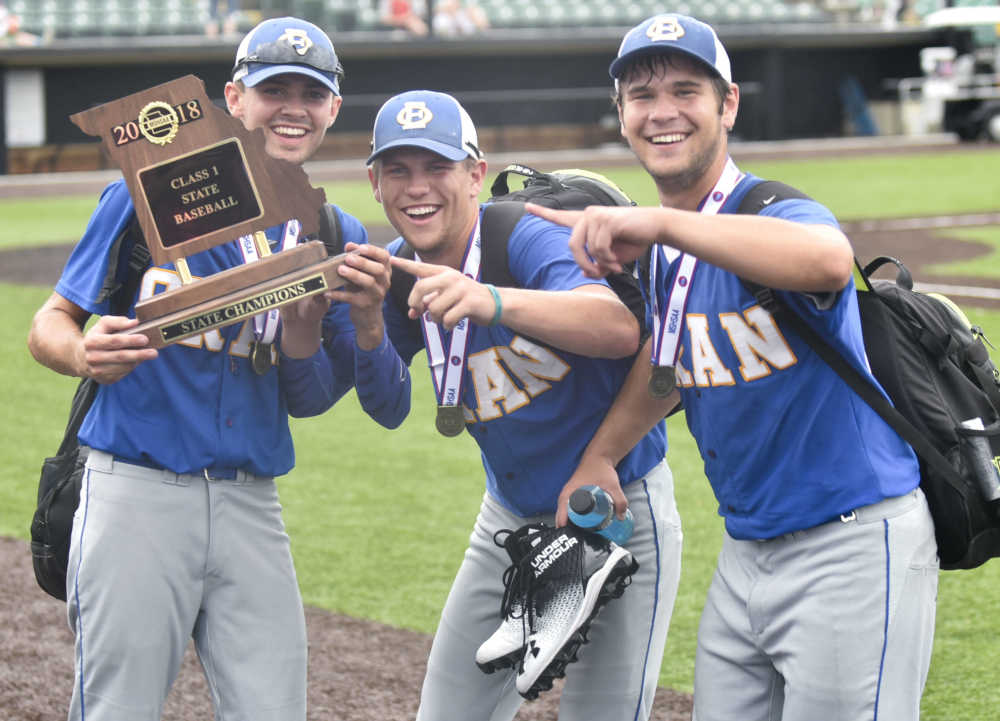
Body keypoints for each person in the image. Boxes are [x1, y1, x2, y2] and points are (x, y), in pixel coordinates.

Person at [529, 13, 939, 721]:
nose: (662, 112)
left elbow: (829, 261)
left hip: (849, 540)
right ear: (622, 115)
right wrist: (600, 455)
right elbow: (669, 362)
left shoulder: (768, 207)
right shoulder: (663, 250)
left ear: (729, 104)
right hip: (747, 549)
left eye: (686, 90)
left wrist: (659, 222)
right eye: (641, 96)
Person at [27, 16, 408, 721]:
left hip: (251, 504)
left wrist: (302, 334)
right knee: (117, 708)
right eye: (273, 89)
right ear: (234, 99)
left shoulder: (332, 233)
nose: (293, 107)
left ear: (332, 110)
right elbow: (47, 324)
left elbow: (310, 398)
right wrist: (84, 352)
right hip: (137, 489)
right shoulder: (148, 196)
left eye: (311, 93)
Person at [366, 89, 683, 720]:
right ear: (374, 183)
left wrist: (492, 300)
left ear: (476, 174)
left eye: (437, 168)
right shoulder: (401, 271)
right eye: (398, 170)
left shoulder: (521, 233)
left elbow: (620, 327)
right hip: (508, 523)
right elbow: (385, 406)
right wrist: (366, 327)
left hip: (616, 510)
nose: (417, 187)